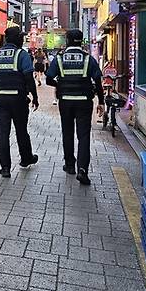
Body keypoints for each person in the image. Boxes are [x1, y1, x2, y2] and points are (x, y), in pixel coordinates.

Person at [46, 29, 105, 186]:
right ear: (81, 41)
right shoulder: (88, 59)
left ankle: (70, 165)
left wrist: (60, 85)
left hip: (65, 101)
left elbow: (48, 78)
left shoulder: (59, 58)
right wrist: (101, 101)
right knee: (83, 135)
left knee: (67, 132)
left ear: (67, 40)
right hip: (84, 101)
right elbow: (98, 81)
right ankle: (83, 170)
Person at [0, 26, 39, 178]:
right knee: (21, 130)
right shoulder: (22, 55)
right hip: (18, 98)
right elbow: (29, 77)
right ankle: (26, 158)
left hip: (0, 98)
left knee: (3, 132)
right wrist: (35, 96)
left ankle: (5, 168)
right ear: (14, 39)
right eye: (20, 37)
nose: (22, 39)